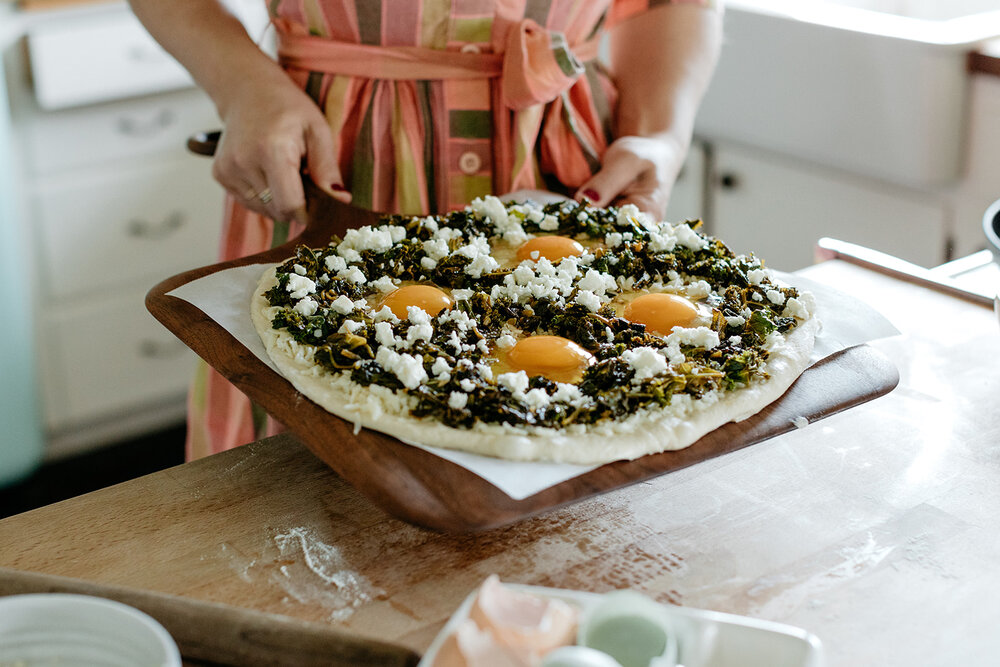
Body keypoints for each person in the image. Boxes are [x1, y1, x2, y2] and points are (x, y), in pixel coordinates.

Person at [128, 0, 723, 460]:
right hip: (329, 170)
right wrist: (242, 85)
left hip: (565, 165)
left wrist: (659, 132)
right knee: (290, 500)